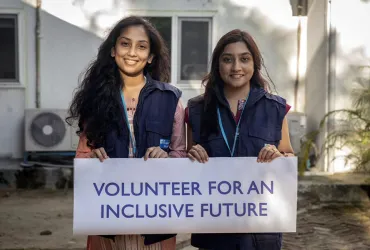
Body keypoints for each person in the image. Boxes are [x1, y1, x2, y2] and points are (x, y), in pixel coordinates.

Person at [66, 16, 186, 250]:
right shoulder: (95, 99)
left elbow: (180, 153)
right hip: (107, 221)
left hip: (155, 222)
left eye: (141, 46)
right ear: (113, 50)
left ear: (151, 57)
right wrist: (91, 160)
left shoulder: (171, 99)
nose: (132, 52)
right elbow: (82, 157)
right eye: (125, 44)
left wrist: (168, 159)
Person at [185, 29, 295, 250]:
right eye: (228, 59)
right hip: (214, 227)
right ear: (218, 65)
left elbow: (288, 156)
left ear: (255, 64)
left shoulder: (275, 108)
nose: (236, 67)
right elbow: (187, 162)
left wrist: (279, 157)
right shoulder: (196, 109)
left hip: (261, 229)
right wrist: (191, 155)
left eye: (244, 59)